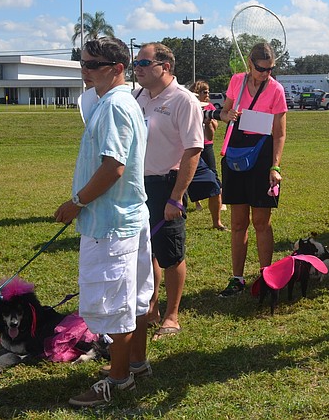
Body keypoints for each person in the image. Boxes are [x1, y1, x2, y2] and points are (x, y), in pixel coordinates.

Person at [54, 37, 154, 407]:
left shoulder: (114, 105)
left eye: (93, 64)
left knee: (115, 305)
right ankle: (136, 363)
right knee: (135, 299)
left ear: (117, 69)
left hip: (111, 224)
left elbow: (114, 167)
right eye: (82, 62)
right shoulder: (115, 101)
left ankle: (119, 379)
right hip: (126, 217)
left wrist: (76, 202)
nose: (85, 70)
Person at [134, 43, 203, 340]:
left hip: (167, 184)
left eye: (144, 63)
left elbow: (193, 150)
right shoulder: (137, 97)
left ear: (165, 67)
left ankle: (172, 316)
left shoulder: (183, 100)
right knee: (146, 250)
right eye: (136, 63)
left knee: (171, 254)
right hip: (138, 186)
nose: (137, 68)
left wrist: (176, 197)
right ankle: (151, 308)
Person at [218, 42, 287, 296]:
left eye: (270, 69)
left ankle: (265, 277)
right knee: (238, 222)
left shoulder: (276, 89)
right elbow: (224, 112)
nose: (266, 74)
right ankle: (237, 278)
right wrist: (227, 115)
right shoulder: (237, 81)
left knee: (261, 222)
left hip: (262, 155)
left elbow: (279, 133)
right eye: (261, 69)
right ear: (250, 63)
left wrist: (275, 166)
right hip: (236, 152)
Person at [190, 80, 226, 230]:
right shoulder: (188, 106)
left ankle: (217, 222)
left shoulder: (209, 107)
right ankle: (195, 202)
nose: (207, 94)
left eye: (208, 92)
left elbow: (211, 135)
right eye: (204, 92)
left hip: (206, 146)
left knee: (213, 179)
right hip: (189, 148)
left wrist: (208, 122)